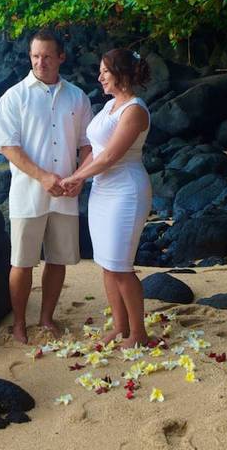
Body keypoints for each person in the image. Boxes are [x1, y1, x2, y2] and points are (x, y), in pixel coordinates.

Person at [0, 30, 93, 344]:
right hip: (27, 194)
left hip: (65, 193)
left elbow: (87, 145)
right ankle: (20, 323)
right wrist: (43, 177)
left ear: (61, 57)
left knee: (58, 259)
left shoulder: (77, 97)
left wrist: (80, 176)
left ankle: (46, 318)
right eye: (35, 56)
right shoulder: (14, 96)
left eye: (47, 56)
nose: (41, 62)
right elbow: (8, 147)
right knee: (21, 262)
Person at [60, 49, 152, 348]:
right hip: (102, 190)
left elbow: (112, 156)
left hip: (126, 190)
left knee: (121, 266)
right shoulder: (112, 105)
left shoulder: (135, 110)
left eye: (105, 72)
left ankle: (138, 333)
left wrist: (75, 178)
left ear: (121, 73)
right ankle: (120, 326)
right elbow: (97, 153)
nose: (99, 77)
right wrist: (79, 177)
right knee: (107, 263)